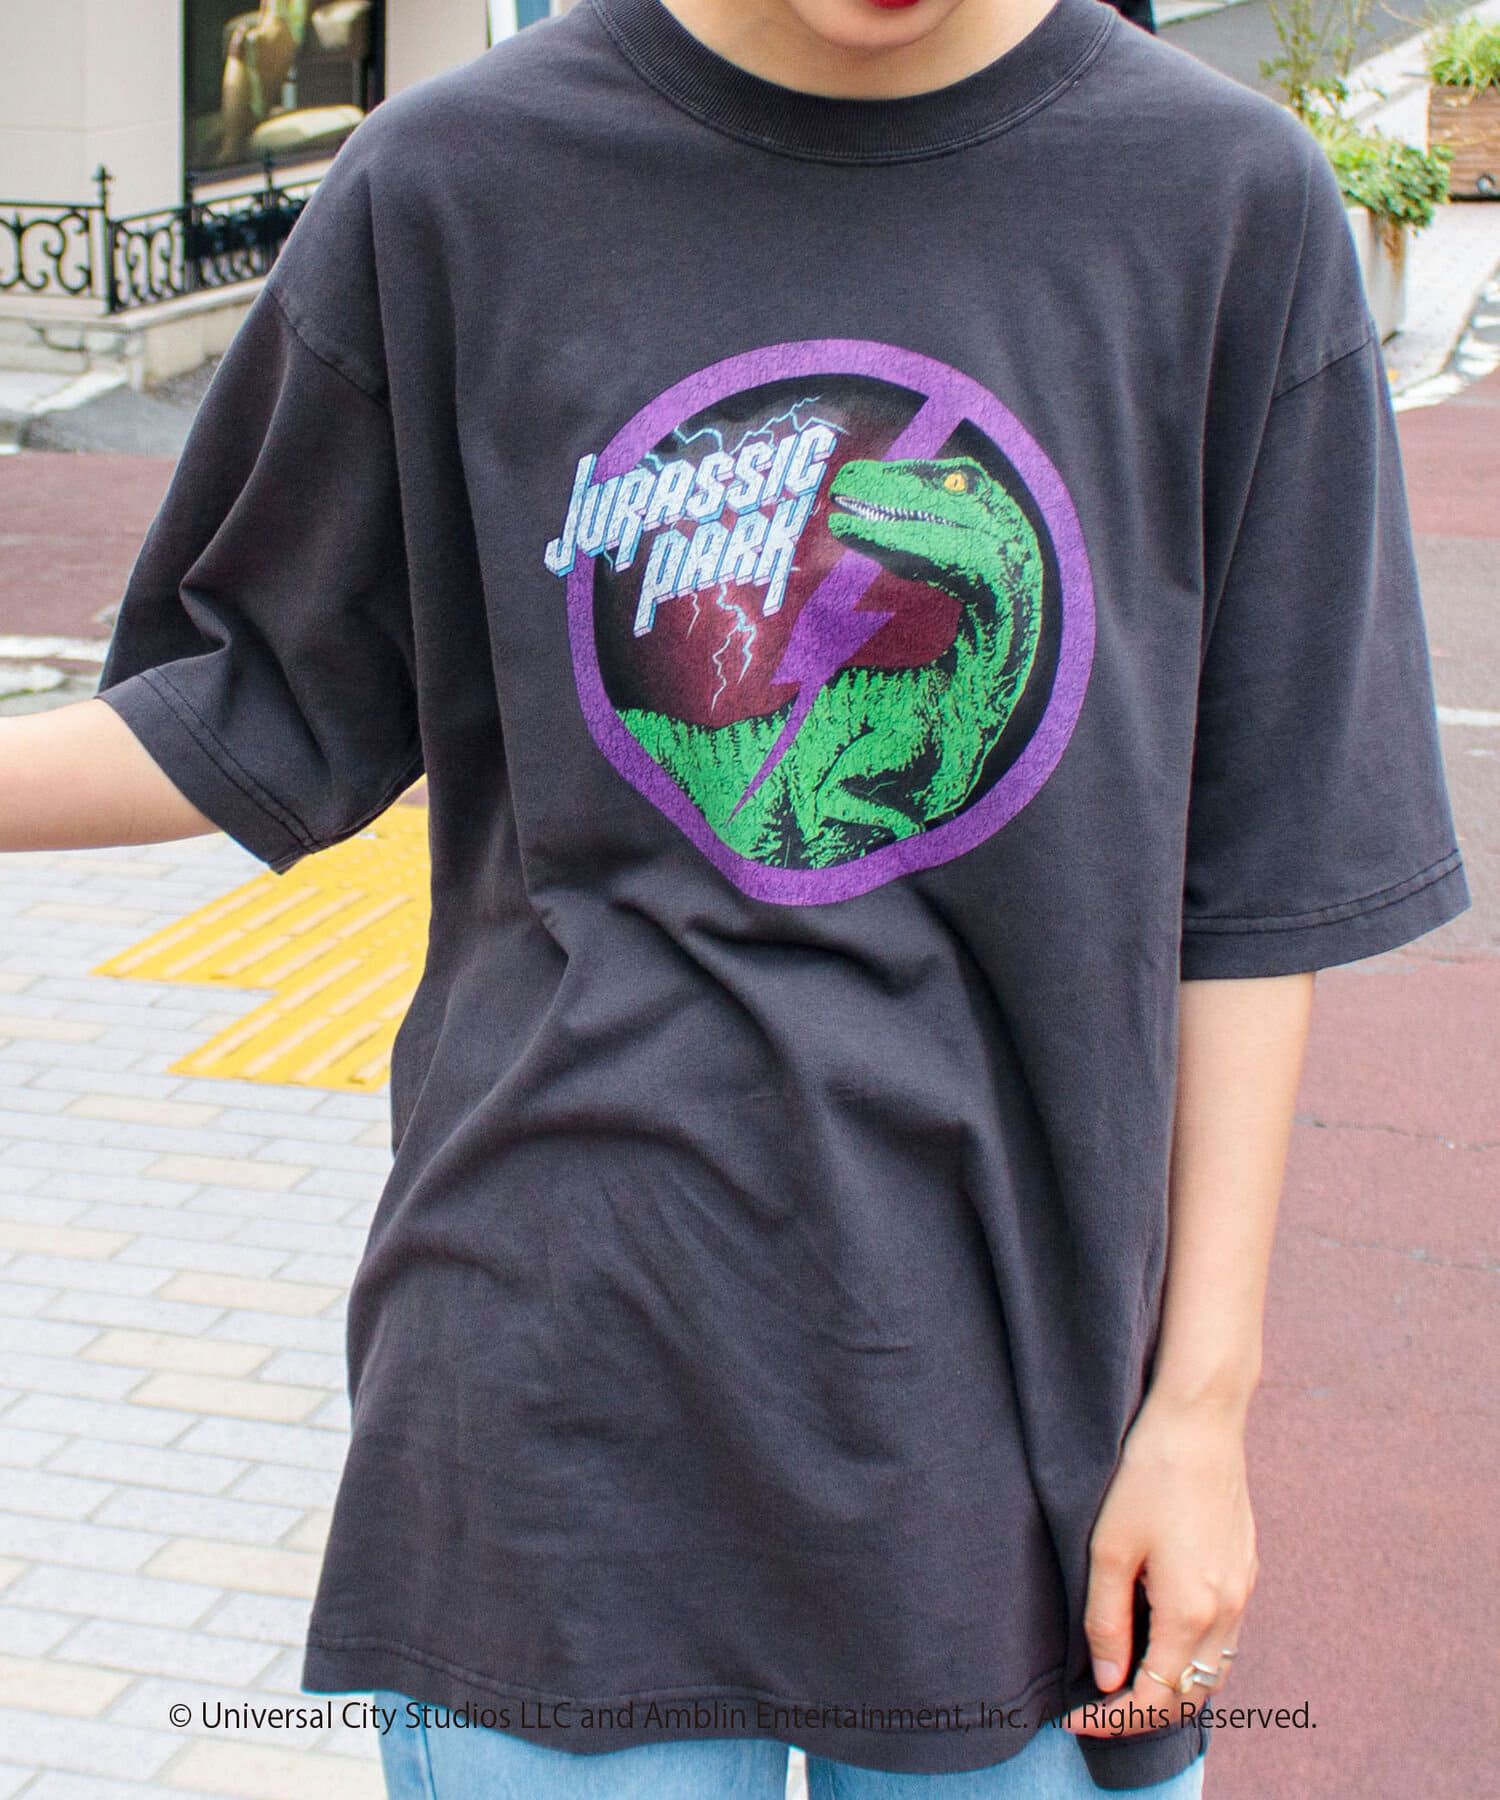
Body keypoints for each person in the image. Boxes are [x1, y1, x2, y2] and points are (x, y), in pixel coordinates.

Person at [0, 0, 1466, 1793]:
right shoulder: (458, 186)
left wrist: (1205, 1408)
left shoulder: (1225, 204)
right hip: (553, 1399)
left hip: (1032, 1431)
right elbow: (246, 706)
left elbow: (1257, 881)